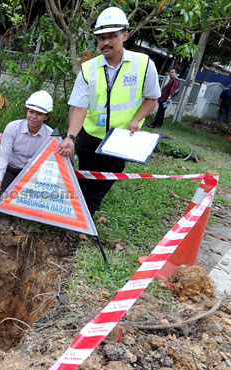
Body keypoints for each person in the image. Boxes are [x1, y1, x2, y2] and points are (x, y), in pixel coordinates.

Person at [56, 6, 160, 215]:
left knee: (102, 184)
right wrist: (70, 136)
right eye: (101, 38)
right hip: (90, 134)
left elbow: (152, 98)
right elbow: (80, 107)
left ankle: (85, 221)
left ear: (125, 35)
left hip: (120, 139)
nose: (105, 42)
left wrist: (136, 119)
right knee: (83, 177)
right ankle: (76, 216)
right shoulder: (89, 68)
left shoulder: (143, 64)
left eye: (112, 36)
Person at [0, 90, 54, 195]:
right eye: (31, 112)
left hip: (34, 173)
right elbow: (3, 156)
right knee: (2, 195)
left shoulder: (50, 135)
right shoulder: (13, 127)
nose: (33, 117)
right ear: (26, 111)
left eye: (39, 114)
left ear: (47, 116)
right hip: (12, 168)